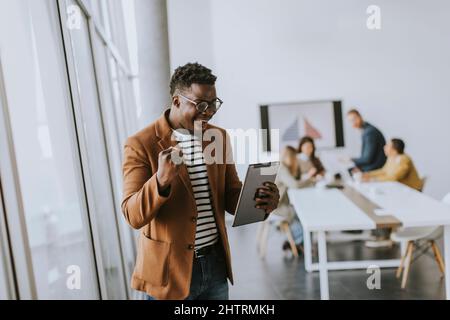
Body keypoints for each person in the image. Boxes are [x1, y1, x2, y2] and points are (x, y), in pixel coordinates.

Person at [121, 63, 280, 300]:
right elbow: (132, 215)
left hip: (215, 266)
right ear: (176, 101)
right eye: (201, 105)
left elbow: (230, 194)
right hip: (169, 271)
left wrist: (261, 201)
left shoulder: (217, 137)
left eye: (214, 104)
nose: (209, 112)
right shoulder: (140, 144)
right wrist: (160, 181)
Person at [362, 139, 422, 248]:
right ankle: (384, 235)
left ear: (394, 150)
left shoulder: (404, 160)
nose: (384, 147)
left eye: (387, 146)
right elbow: (383, 171)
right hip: (398, 192)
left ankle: (386, 237)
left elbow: (394, 177)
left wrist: (373, 180)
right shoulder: (391, 158)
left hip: (410, 193)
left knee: (383, 205)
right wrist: (368, 174)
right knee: (379, 203)